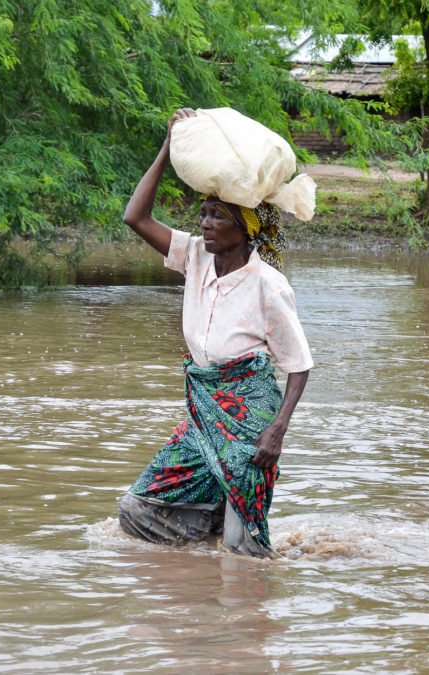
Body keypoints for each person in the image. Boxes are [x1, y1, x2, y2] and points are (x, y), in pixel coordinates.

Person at [118, 108, 313, 558]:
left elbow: (299, 366)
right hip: (203, 412)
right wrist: (169, 148)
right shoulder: (194, 258)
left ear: (245, 229)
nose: (204, 223)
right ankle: (202, 549)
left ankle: (232, 576)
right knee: (137, 508)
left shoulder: (268, 284)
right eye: (203, 214)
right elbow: (135, 217)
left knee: (243, 550)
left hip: (250, 418)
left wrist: (276, 432)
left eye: (216, 216)